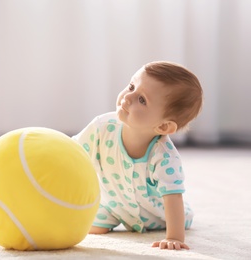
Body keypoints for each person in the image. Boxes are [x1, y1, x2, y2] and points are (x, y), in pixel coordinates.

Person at [72, 61, 203, 250]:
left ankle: (183, 219)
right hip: (113, 205)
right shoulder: (101, 127)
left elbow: (173, 197)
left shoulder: (164, 157)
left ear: (163, 126)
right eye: (131, 86)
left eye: (142, 100)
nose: (127, 97)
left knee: (183, 219)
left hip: (155, 216)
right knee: (87, 228)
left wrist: (174, 236)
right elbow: (73, 151)